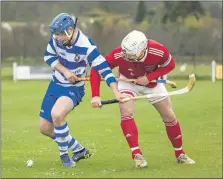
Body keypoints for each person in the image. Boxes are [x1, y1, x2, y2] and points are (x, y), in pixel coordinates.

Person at [90, 30, 195, 168]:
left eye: (131, 54)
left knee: (169, 116)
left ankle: (180, 154)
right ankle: (137, 154)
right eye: (125, 53)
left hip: (151, 84)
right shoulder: (120, 53)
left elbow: (170, 65)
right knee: (126, 111)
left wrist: (149, 78)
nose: (126, 56)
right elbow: (96, 69)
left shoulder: (158, 50)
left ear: (142, 49)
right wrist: (95, 95)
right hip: (127, 81)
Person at [39, 13, 126, 167]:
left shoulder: (86, 46)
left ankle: (65, 157)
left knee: (57, 115)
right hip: (56, 84)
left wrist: (116, 92)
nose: (58, 38)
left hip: (74, 89)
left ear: (70, 30)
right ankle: (78, 149)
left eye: (60, 35)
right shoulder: (56, 39)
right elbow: (49, 58)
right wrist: (65, 71)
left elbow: (104, 70)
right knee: (45, 128)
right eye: (56, 35)